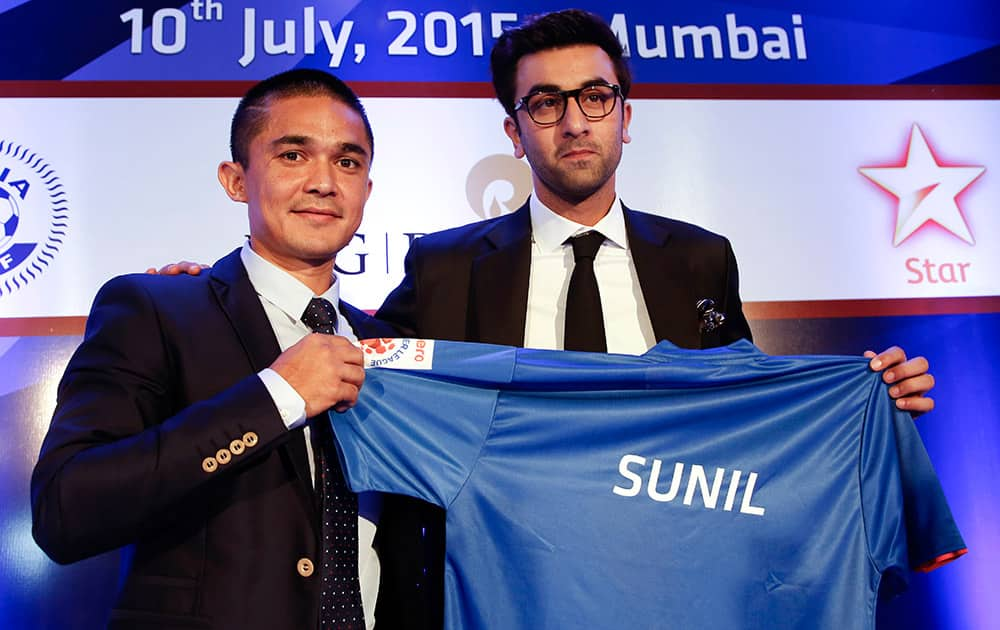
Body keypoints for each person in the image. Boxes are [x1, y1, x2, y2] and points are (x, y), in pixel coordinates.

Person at [369, 9, 936, 629]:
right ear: (514, 131)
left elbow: (744, 417)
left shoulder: (700, 259)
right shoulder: (445, 267)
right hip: (510, 596)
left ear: (626, 117)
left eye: (594, 97)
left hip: (673, 592)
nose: (575, 123)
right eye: (546, 104)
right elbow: (368, 381)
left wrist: (860, 400)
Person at [30, 69, 396, 630]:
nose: (324, 181)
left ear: (367, 189)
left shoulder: (389, 343)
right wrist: (276, 396)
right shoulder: (155, 308)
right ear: (235, 180)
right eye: (293, 155)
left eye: (348, 162)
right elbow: (66, 512)